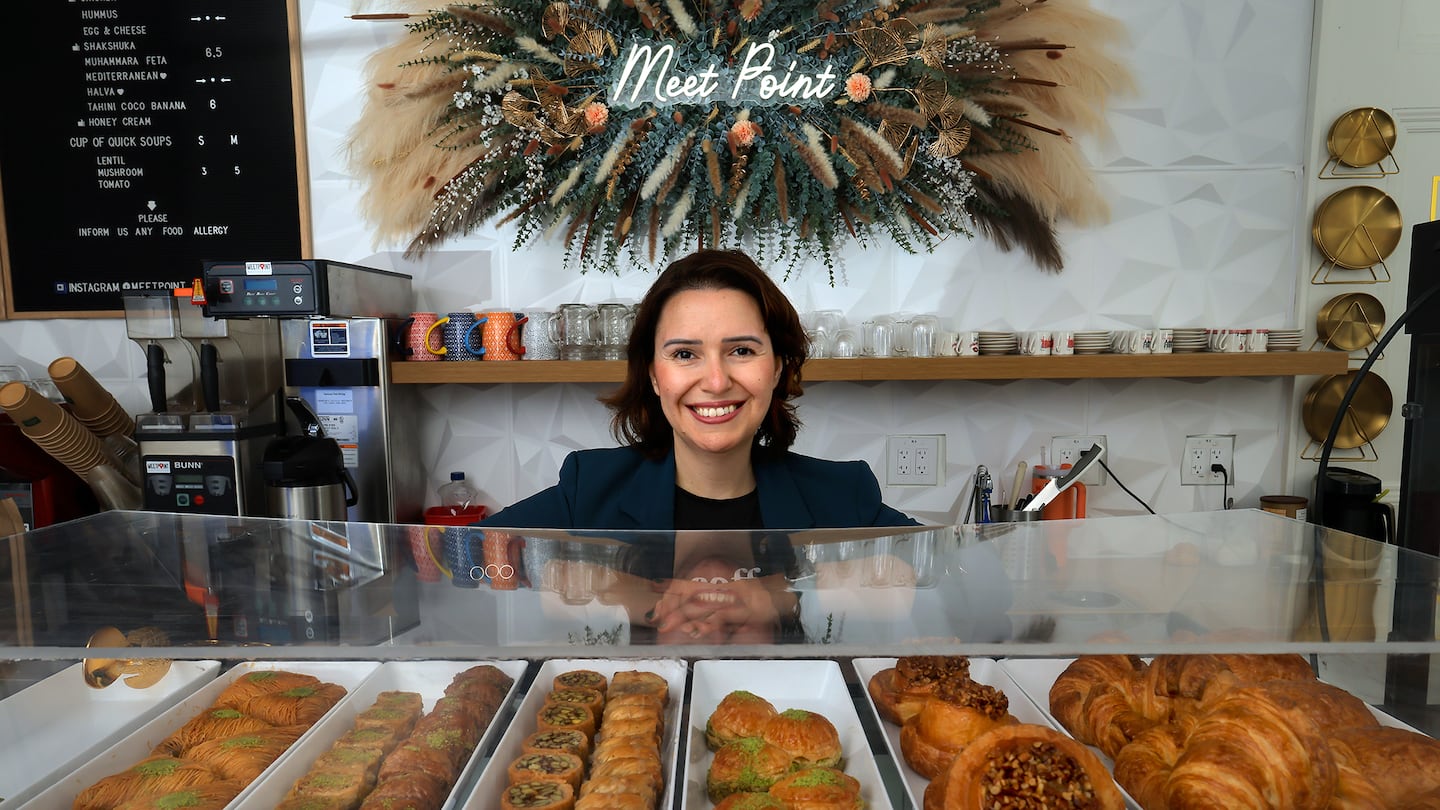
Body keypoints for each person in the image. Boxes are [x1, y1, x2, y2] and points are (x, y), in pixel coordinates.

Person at [480, 247, 918, 531]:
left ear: (778, 367)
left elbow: (959, 578)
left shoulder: (843, 496)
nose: (715, 381)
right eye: (685, 354)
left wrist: (893, 581)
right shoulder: (589, 492)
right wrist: (555, 577)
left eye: (742, 351)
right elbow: (465, 563)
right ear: (653, 374)